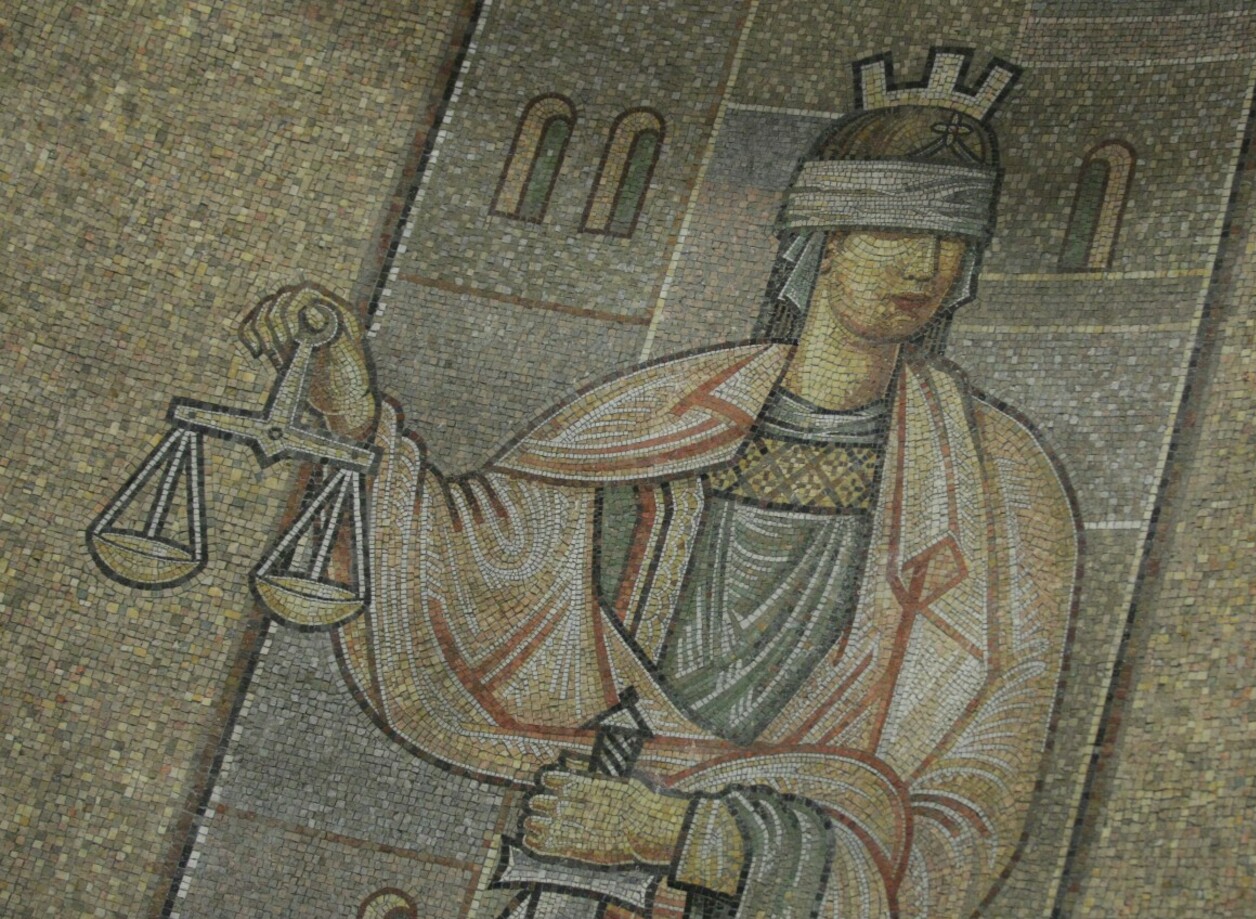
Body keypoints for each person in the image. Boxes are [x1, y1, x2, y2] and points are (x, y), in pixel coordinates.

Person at [244, 95, 1078, 919]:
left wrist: (692, 835)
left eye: (952, 238)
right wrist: (355, 421)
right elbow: (475, 562)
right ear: (825, 241)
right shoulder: (666, 414)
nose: (925, 266)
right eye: (896, 229)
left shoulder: (994, 477)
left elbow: (974, 795)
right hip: (582, 877)